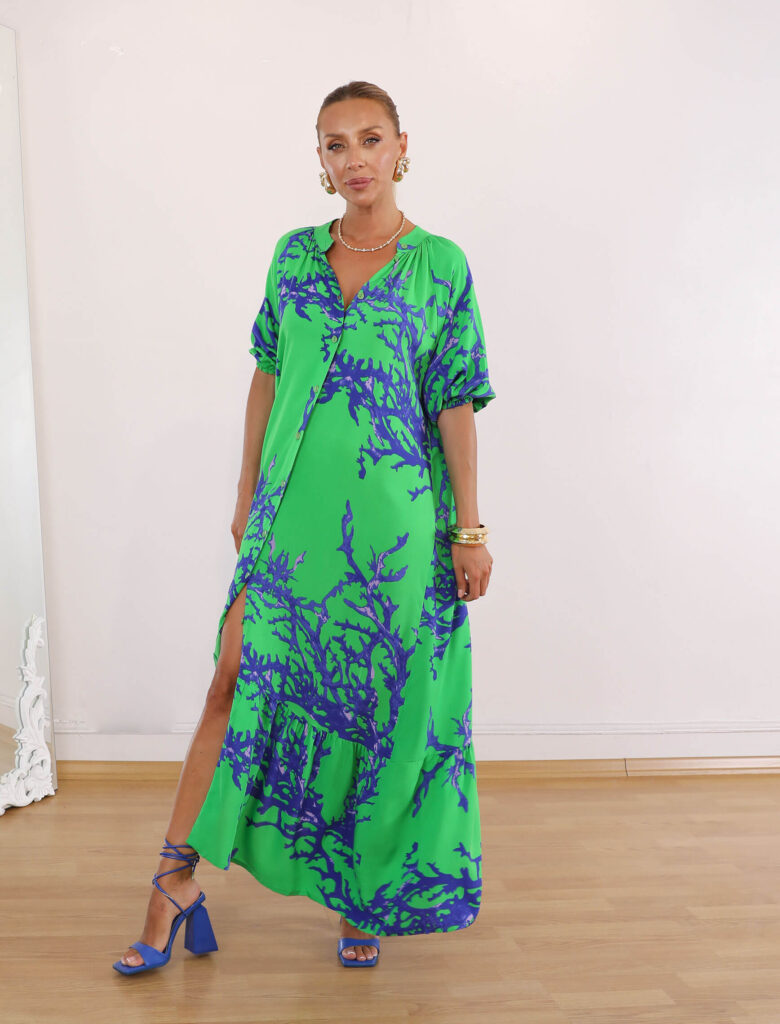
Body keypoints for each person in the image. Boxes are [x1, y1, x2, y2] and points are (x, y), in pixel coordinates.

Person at [114, 79, 496, 974]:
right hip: (289, 521)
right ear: (320, 161)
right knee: (232, 678)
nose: (355, 158)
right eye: (335, 144)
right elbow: (267, 374)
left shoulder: (440, 266)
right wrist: (246, 491)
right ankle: (173, 882)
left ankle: (358, 895)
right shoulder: (293, 258)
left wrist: (469, 532)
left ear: (402, 147)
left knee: (372, 709)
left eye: (371, 138)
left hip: (394, 538)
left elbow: (454, 405)